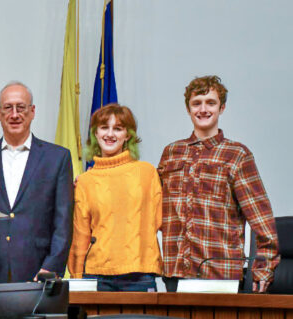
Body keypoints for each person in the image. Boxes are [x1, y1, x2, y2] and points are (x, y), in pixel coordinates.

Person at [158, 75, 278, 293]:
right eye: (197, 103)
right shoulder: (171, 153)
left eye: (210, 103)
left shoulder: (237, 155)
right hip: (175, 271)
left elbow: (261, 218)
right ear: (188, 109)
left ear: (221, 108)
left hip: (220, 273)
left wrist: (264, 267)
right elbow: (150, 203)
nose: (203, 109)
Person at [0, 81, 73, 284]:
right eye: (8, 108)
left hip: (40, 275)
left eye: (21, 107)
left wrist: (51, 267)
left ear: (32, 112)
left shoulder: (57, 158)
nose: (14, 114)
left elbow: (63, 222)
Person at [67, 104, 162, 291]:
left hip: (140, 275)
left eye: (117, 128)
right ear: (95, 133)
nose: (110, 134)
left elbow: (160, 221)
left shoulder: (147, 173)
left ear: (128, 135)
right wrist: (77, 281)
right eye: (104, 127)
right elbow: (80, 236)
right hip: (97, 276)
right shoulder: (85, 181)